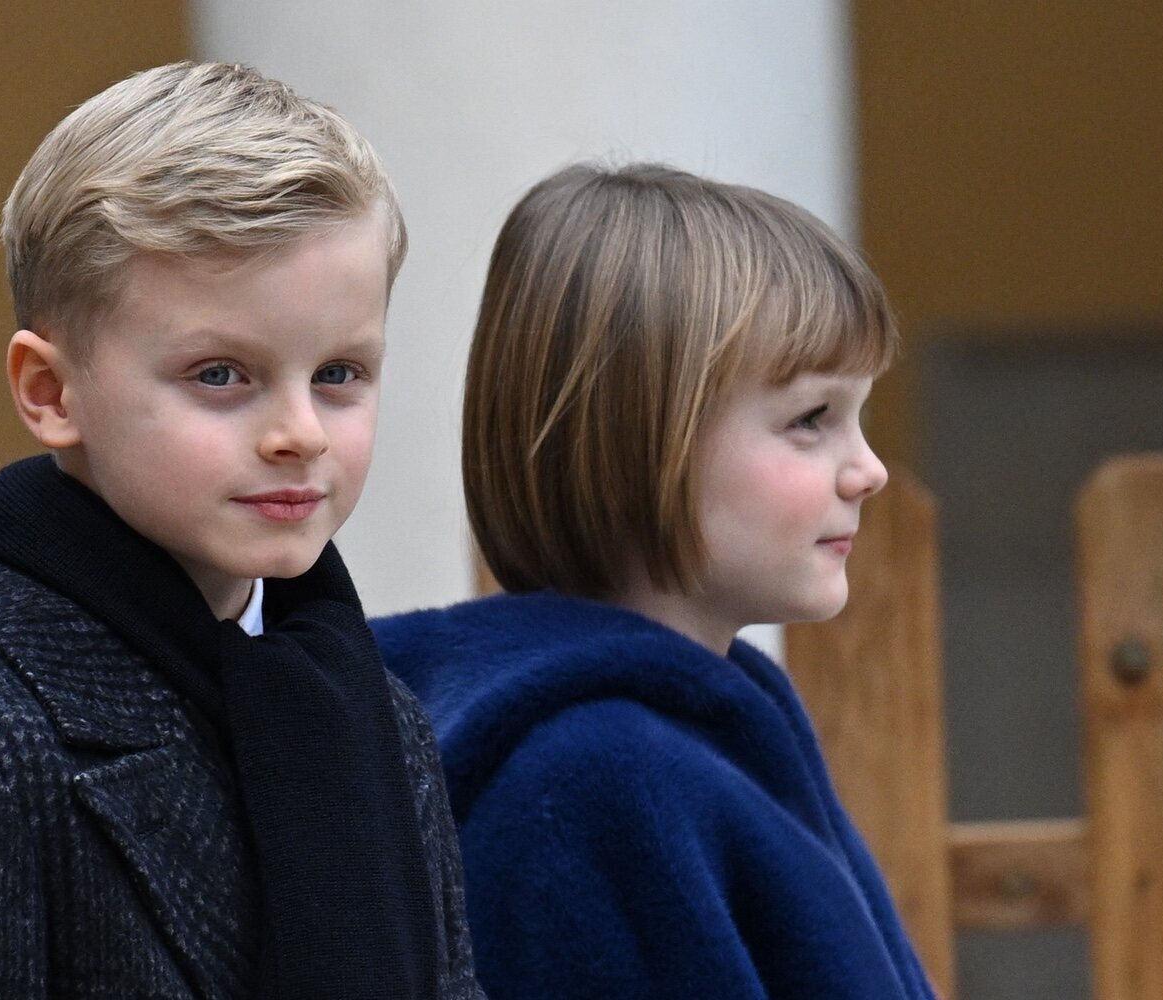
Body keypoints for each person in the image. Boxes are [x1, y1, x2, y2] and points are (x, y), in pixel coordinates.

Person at [0, 61, 481, 1000]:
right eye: (219, 375)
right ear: (51, 392)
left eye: (339, 373)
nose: (299, 434)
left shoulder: (374, 722)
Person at [374, 163, 934, 999]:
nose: (870, 470)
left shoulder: (711, 725)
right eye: (811, 419)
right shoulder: (595, 782)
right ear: (636, 437)